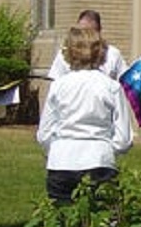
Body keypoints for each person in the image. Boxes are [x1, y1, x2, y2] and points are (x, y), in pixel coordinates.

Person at [38, 25, 134, 201]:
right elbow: (123, 138)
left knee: (62, 222)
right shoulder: (111, 87)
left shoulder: (59, 86)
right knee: (101, 220)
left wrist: (56, 148)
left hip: (62, 161)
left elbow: (44, 133)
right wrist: (108, 149)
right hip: (99, 159)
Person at [47, 9, 127, 80]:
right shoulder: (64, 54)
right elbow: (55, 81)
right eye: (82, 32)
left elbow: (125, 82)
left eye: (91, 33)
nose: (85, 37)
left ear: (99, 32)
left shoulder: (112, 54)